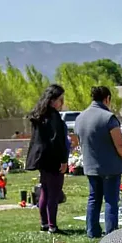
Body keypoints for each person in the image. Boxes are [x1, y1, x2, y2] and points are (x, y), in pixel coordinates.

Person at [75, 85, 122, 238]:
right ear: (107, 99)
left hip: (91, 166)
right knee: (111, 200)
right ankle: (111, 233)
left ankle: (92, 230)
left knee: (94, 199)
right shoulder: (108, 118)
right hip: (110, 167)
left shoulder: (80, 118)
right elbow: (119, 143)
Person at [25, 84, 70, 233]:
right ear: (52, 100)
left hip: (42, 159)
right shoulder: (53, 116)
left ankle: (45, 223)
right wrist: (63, 160)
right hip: (53, 158)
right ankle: (52, 225)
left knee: (45, 190)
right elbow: (58, 141)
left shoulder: (40, 115)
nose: (62, 103)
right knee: (54, 192)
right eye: (60, 99)